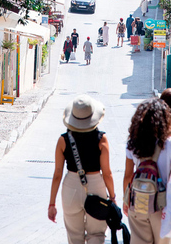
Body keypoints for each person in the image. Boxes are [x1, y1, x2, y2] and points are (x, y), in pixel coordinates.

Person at [123, 98, 171, 244]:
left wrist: (126, 201)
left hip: (138, 203)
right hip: (162, 206)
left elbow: (128, 175)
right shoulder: (170, 143)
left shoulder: (132, 143)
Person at [48, 95, 116, 244]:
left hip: (71, 186)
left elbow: (57, 174)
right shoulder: (101, 139)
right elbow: (107, 173)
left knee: (74, 236)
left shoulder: (63, 140)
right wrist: (112, 197)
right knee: (96, 234)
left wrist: (52, 203)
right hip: (96, 186)